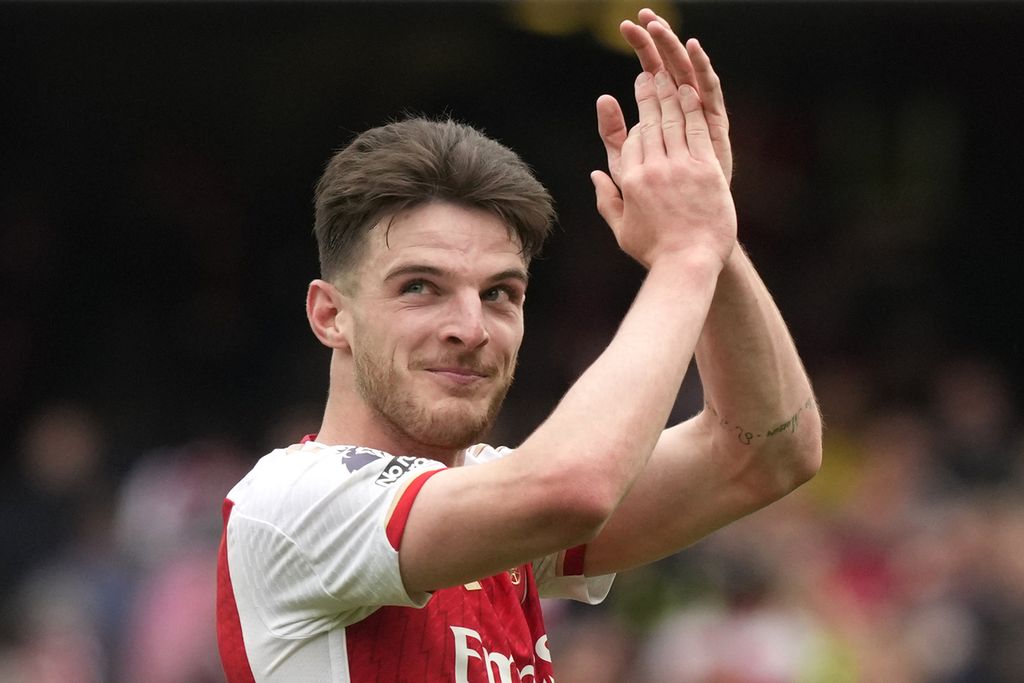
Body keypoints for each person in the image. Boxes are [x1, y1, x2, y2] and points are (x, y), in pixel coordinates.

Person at [216, 8, 822, 682]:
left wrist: (713, 231)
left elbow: (769, 453)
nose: (470, 327)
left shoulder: (492, 506)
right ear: (331, 315)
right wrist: (683, 256)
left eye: (500, 293)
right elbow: (570, 487)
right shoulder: (293, 502)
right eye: (420, 286)